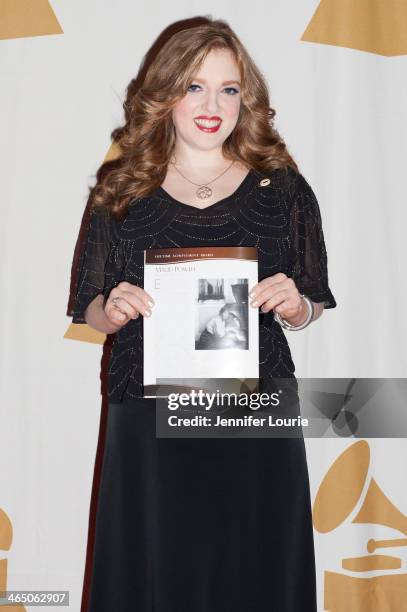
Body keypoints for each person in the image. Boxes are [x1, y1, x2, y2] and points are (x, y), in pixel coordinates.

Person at [69, 17, 336, 612]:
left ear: (248, 99)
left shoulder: (285, 189)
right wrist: (111, 309)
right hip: (150, 410)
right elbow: (89, 307)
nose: (212, 104)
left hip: (256, 411)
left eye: (229, 89)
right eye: (194, 86)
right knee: (156, 564)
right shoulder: (121, 189)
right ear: (164, 93)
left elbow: (313, 299)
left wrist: (297, 306)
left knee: (256, 564)